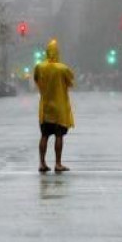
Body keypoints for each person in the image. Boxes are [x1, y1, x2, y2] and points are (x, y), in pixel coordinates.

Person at [33, 38, 74, 173]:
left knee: (44, 135)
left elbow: (36, 80)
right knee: (59, 135)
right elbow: (70, 81)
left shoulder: (39, 67)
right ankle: (58, 163)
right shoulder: (63, 69)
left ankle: (42, 163)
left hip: (45, 107)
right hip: (59, 108)